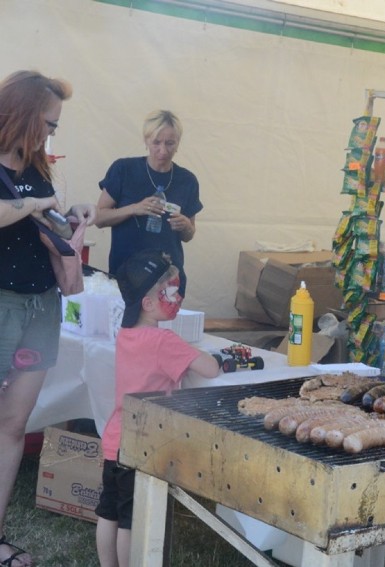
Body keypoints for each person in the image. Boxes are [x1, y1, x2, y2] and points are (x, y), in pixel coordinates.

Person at [0, 69, 97, 567]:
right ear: (21, 112)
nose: (52, 133)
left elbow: (43, 217)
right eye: (49, 123)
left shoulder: (35, 164)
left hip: (41, 303)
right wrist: (37, 203)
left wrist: (71, 212)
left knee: (13, 426)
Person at [95, 249, 220, 567]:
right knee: (131, 521)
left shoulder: (126, 334)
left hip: (114, 441)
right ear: (149, 304)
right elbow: (210, 369)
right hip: (142, 445)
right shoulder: (164, 342)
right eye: (171, 292)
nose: (177, 298)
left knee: (108, 512)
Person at [95, 110, 202, 296]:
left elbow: (189, 234)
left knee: (162, 324)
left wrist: (185, 225)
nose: (163, 150)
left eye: (170, 143)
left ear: (178, 143)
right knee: (126, 324)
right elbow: (99, 217)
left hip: (168, 276)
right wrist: (134, 209)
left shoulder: (187, 180)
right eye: (156, 142)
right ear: (146, 141)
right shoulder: (124, 170)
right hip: (127, 274)